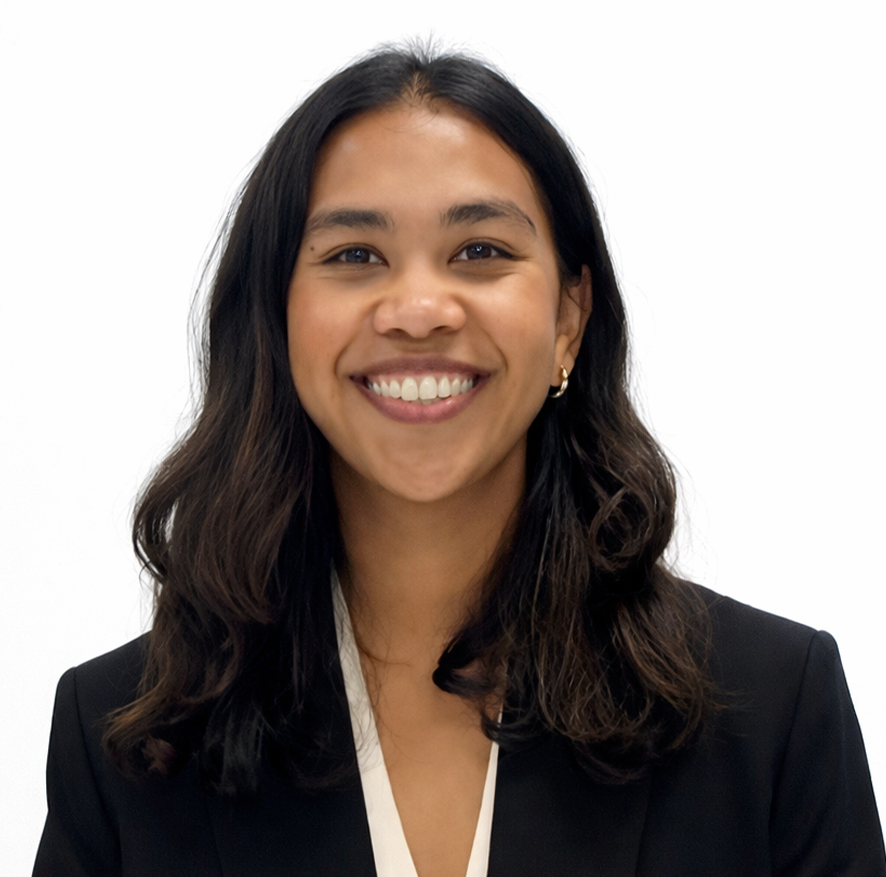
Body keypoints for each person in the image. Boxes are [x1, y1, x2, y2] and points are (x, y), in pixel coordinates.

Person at [33, 46, 885, 877]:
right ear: (276, 320)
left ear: (568, 319)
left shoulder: (773, 710)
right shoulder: (126, 742)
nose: (418, 309)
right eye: (353, 256)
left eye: (480, 250)